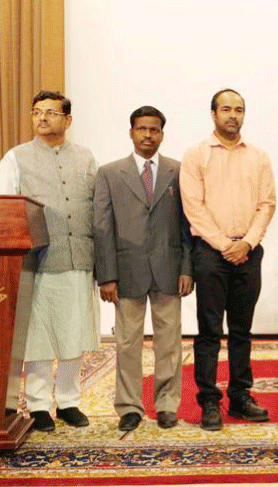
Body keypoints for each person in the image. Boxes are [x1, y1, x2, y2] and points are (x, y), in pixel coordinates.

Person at [0, 91, 99, 432]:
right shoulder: (15, 158)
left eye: (51, 113)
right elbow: (5, 207)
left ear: (67, 120)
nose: (42, 118)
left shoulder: (85, 158)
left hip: (78, 257)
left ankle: (69, 401)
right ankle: (39, 405)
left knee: (75, 332)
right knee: (38, 335)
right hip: (35, 263)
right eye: (37, 112)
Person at [180, 89, 276, 431]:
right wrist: (224, 245)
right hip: (210, 252)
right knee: (209, 330)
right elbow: (193, 207)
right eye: (226, 109)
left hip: (248, 251)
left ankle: (240, 396)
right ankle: (209, 400)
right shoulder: (196, 155)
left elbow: (267, 204)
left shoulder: (258, 156)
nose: (233, 115)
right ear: (213, 114)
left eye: (239, 110)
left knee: (241, 330)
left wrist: (247, 242)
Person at [93, 106, 194, 431]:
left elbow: (188, 225)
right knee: (127, 342)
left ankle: (166, 405)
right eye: (142, 129)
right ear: (131, 132)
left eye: (154, 130)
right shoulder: (110, 173)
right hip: (126, 271)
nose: (148, 135)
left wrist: (187, 268)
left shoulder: (179, 171)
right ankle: (129, 407)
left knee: (169, 343)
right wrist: (106, 275)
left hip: (169, 269)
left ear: (162, 134)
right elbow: (102, 227)